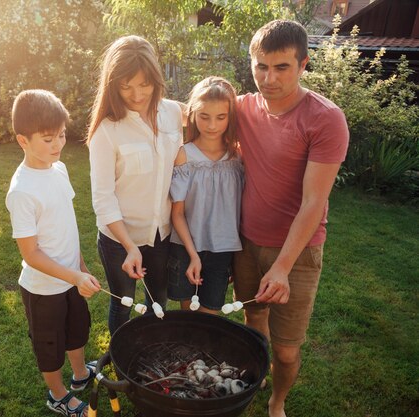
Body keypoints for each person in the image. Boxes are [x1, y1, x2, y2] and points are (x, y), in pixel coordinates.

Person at [233, 20, 349, 417]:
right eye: (261, 66)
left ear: (303, 65)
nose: (268, 78)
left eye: (281, 67)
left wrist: (282, 267)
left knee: (286, 349)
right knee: (253, 319)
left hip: (297, 254)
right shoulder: (243, 108)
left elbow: (314, 202)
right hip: (246, 243)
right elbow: (192, 111)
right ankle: (257, 370)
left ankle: (277, 403)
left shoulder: (325, 119)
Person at [5, 89, 101, 417]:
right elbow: (31, 254)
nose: (58, 145)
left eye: (61, 135)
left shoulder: (58, 169)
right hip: (43, 289)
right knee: (49, 346)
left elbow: (66, 224)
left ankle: (79, 375)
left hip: (71, 277)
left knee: (77, 330)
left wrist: (81, 266)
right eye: (48, 139)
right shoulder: (21, 192)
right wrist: (73, 275)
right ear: (23, 140)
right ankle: (58, 394)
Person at [87, 35, 183, 334]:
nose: (136, 94)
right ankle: (120, 362)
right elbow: (103, 198)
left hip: (162, 232)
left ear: (156, 79)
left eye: (144, 84)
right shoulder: (107, 130)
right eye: (125, 86)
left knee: (160, 300)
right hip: (119, 239)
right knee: (124, 302)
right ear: (113, 85)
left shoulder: (174, 113)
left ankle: (153, 355)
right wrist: (129, 246)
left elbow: (213, 112)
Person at [167, 76, 244, 314]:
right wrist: (193, 255)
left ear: (230, 117)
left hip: (222, 250)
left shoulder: (237, 156)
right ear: (192, 115)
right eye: (204, 117)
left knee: (211, 317)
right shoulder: (184, 155)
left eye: (221, 117)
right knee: (188, 317)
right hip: (186, 247)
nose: (212, 125)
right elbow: (177, 214)